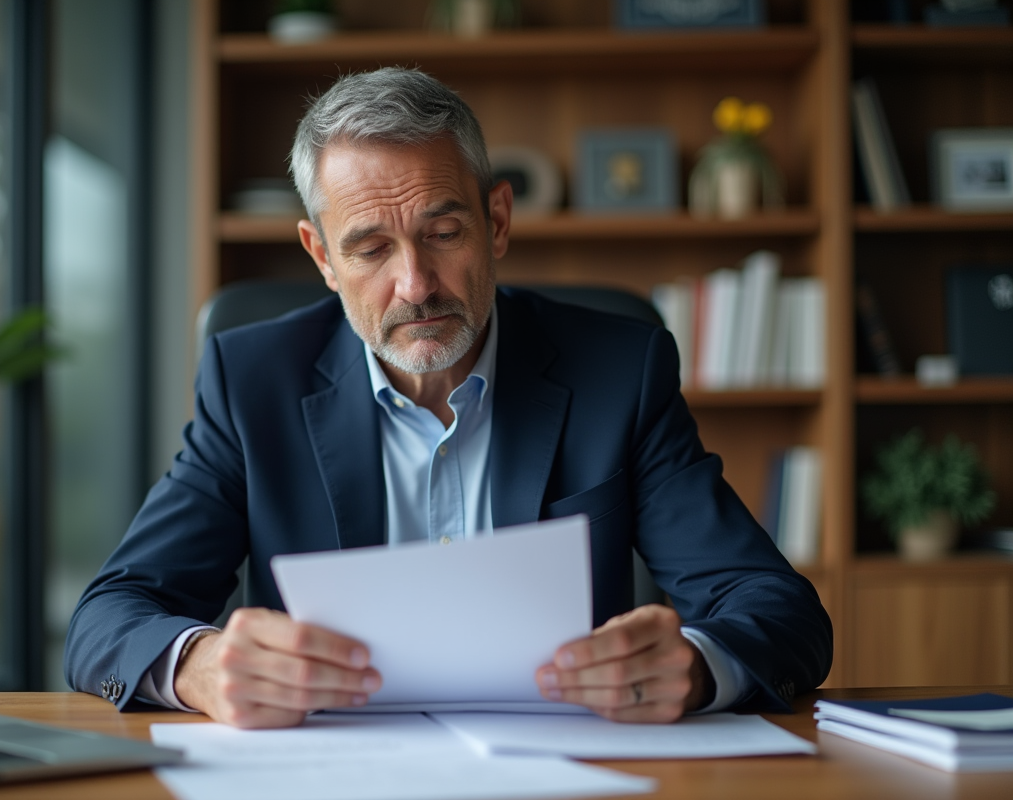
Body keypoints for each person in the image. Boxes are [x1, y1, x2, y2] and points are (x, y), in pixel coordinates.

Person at [64, 68, 832, 729]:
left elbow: (779, 611)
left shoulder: (618, 369)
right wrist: (199, 665)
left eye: (443, 232)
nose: (416, 285)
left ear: (497, 222)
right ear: (321, 256)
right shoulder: (251, 380)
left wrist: (697, 667)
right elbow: (109, 616)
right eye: (370, 248)